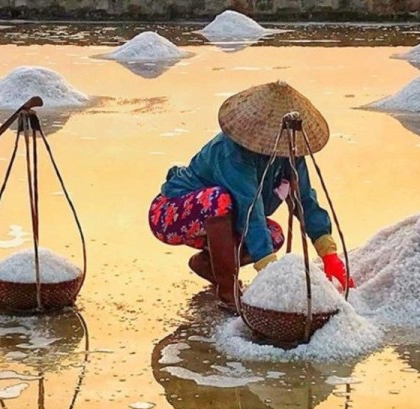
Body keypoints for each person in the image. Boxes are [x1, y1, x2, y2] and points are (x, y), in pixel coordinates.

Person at [148, 80, 352, 311]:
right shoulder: (231, 152)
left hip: (225, 220)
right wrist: (271, 275)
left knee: (273, 235)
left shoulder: (291, 153)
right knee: (219, 200)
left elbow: (304, 200)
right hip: (172, 214)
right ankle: (228, 291)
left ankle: (208, 264)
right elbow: (249, 208)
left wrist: (329, 254)